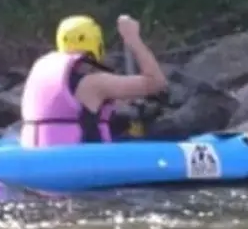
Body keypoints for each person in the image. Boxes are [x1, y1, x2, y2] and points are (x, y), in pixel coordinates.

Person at [19, 13, 167, 147]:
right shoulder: (95, 83)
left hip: (35, 157)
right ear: (96, 43)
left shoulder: (41, 71)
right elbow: (157, 83)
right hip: (79, 164)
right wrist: (133, 39)